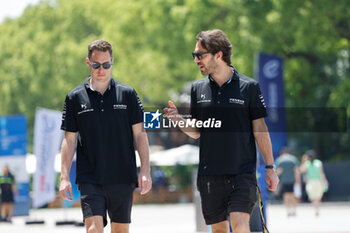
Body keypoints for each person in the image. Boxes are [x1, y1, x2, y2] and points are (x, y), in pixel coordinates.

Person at [164, 29, 279, 233]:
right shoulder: (197, 89)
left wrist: (270, 167)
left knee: (239, 223)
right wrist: (178, 121)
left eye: (200, 55)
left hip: (242, 172)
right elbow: (197, 130)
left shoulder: (248, 87)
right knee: (218, 230)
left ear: (219, 54)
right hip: (209, 174)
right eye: (194, 55)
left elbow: (260, 129)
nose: (196, 60)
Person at [59, 40, 152, 233]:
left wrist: (145, 170)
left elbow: (140, 135)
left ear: (112, 62)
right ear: (88, 63)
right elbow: (69, 139)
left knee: (120, 230)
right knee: (93, 229)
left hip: (122, 176)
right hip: (90, 177)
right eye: (96, 65)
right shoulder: (74, 98)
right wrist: (64, 176)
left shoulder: (128, 94)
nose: (101, 69)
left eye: (106, 65)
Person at [301, 150, 328, 216]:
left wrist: (303, 161)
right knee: (316, 197)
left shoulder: (309, 163)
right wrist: (324, 181)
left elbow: (301, 170)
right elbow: (322, 173)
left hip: (313, 182)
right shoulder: (317, 163)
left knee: (316, 197)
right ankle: (317, 209)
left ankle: (316, 209)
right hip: (316, 182)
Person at [275, 148, 301, 217]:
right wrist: (298, 181)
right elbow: (296, 171)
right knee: (293, 195)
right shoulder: (293, 159)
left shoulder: (280, 160)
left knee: (286, 195)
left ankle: (288, 210)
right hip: (292, 180)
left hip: (284, 181)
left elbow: (279, 171)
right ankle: (294, 210)